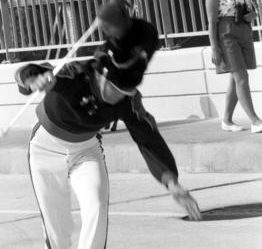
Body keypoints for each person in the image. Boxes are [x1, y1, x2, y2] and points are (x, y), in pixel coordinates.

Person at [15, 58, 201, 249]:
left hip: (86, 152)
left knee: (96, 205)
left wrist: (171, 182)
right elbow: (28, 71)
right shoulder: (75, 72)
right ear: (102, 77)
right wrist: (32, 80)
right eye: (117, 88)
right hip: (46, 150)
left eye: (127, 89)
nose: (120, 95)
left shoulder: (128, 100)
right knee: (56, 227)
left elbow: (148, 139)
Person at [205, 0, 262, 133]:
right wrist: (215, 47)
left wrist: (252, 15)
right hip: (227, 35)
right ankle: (255, 120)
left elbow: (251, 9)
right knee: (241, 76)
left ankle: (227, 120)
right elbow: (212, 23)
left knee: (235, 78)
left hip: (243, 32)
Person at [96, 0, 159, 131]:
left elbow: (125, 63)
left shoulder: (142, 34)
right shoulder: (115, 42)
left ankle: (139, 115)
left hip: (124, 80)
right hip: (117, 80)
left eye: (109, 28)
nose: (107, 32)